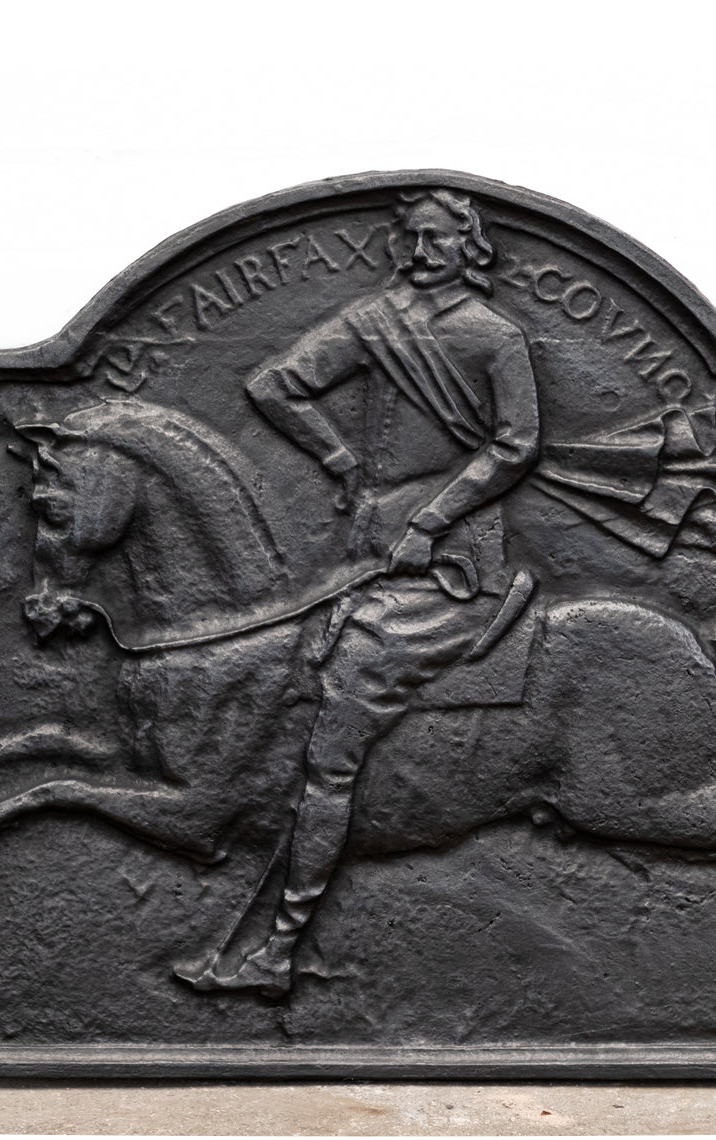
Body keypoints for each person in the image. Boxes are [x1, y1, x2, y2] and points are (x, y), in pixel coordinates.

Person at [213, 189, 541, 994]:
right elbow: (274, 384)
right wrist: (338, 459)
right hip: (366, 550)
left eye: (440, 239)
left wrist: (430, 518)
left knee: (330, 753)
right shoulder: (372, 320)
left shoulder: (494, 335)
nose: (424, 251)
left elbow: (517, 446)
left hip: (452, 562)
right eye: (413, 238)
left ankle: (280, 950)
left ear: (471, 249)